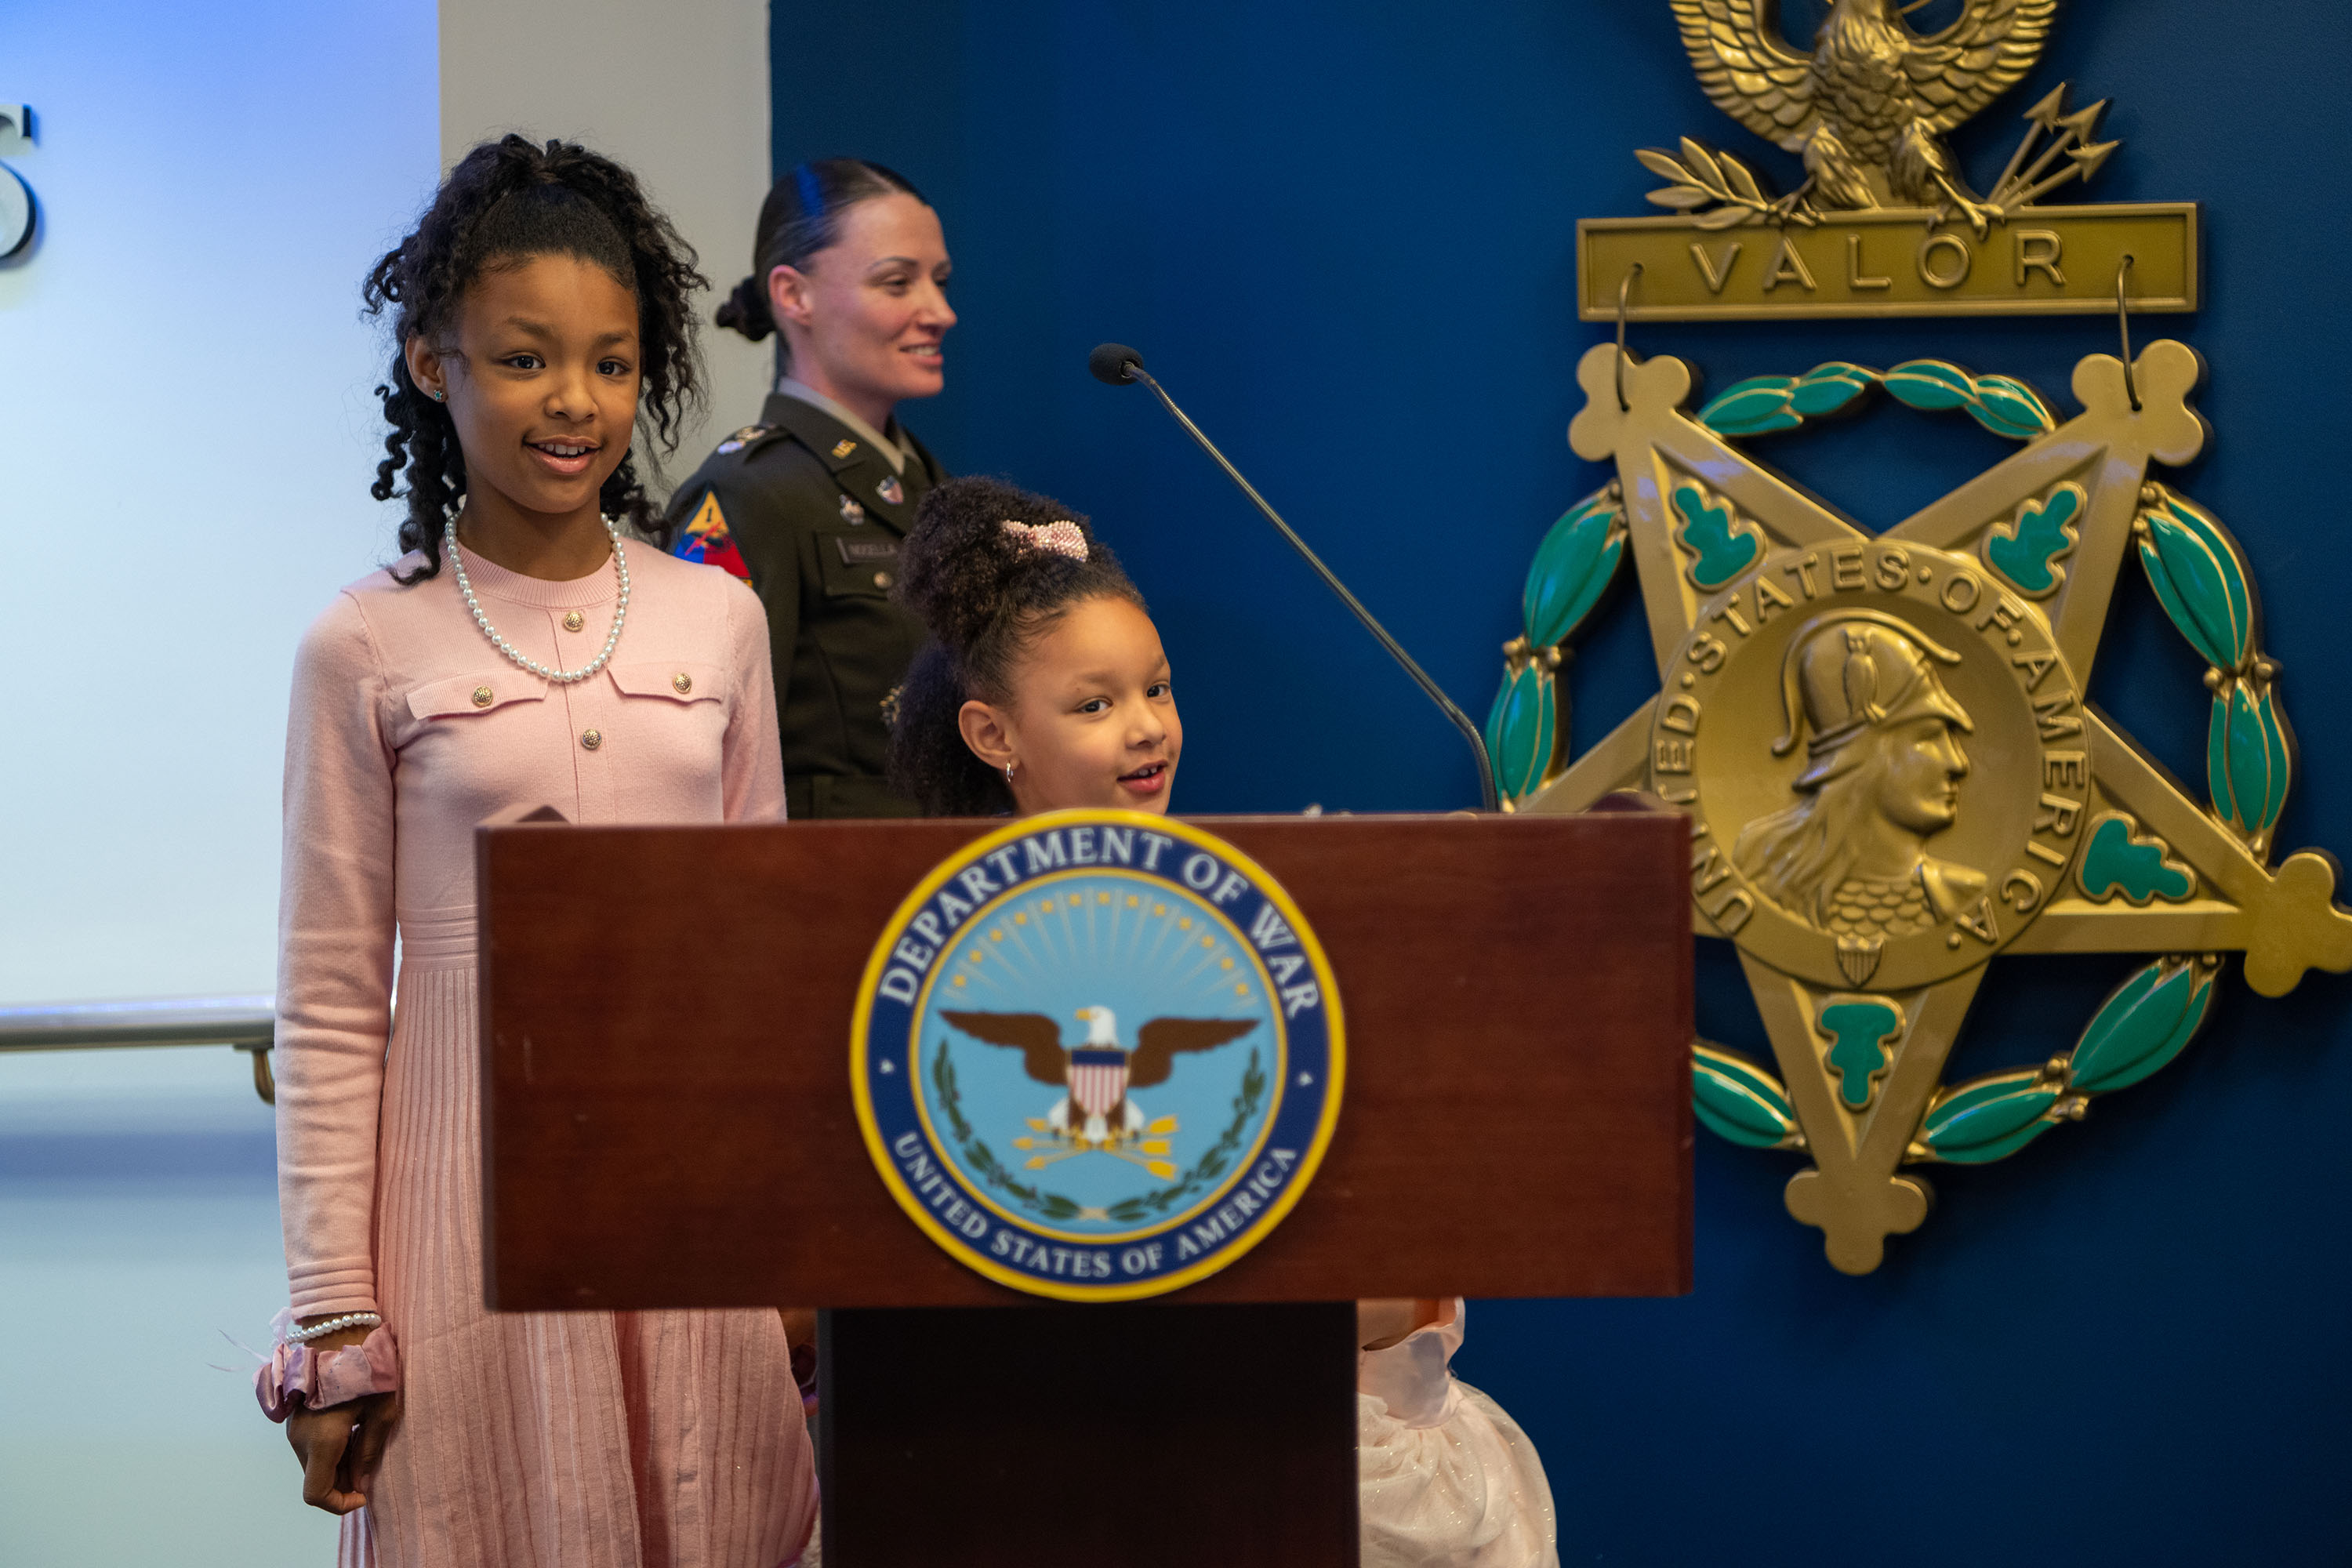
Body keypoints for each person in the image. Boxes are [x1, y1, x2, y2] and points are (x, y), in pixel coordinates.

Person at [263, 136, 815, 1566]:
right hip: (460, 1210)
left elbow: (763, 960)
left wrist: (794, 1246)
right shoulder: (362, 643)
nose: (575, 400)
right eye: (524, 359)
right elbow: (329, 1008)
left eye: (611, 363)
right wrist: (334, 1316)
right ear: (431, 364)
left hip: (693, 1198)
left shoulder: (718, 620)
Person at [885, 475, 1560, 1568]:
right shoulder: (974, 960)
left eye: (1157, 688)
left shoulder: (1224, 916)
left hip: (1339, 1415)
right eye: (1095, 705)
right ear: (991, 732)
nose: (1147, 726)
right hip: (1142, 1437)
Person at [667, 158, 954, 819]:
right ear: (794, 295)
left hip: (946, 868)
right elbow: (702, 752)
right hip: (827, 869)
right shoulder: (748, 495)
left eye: (940, 282)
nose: (941, 312)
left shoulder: (930, 485)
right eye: (897, 282)